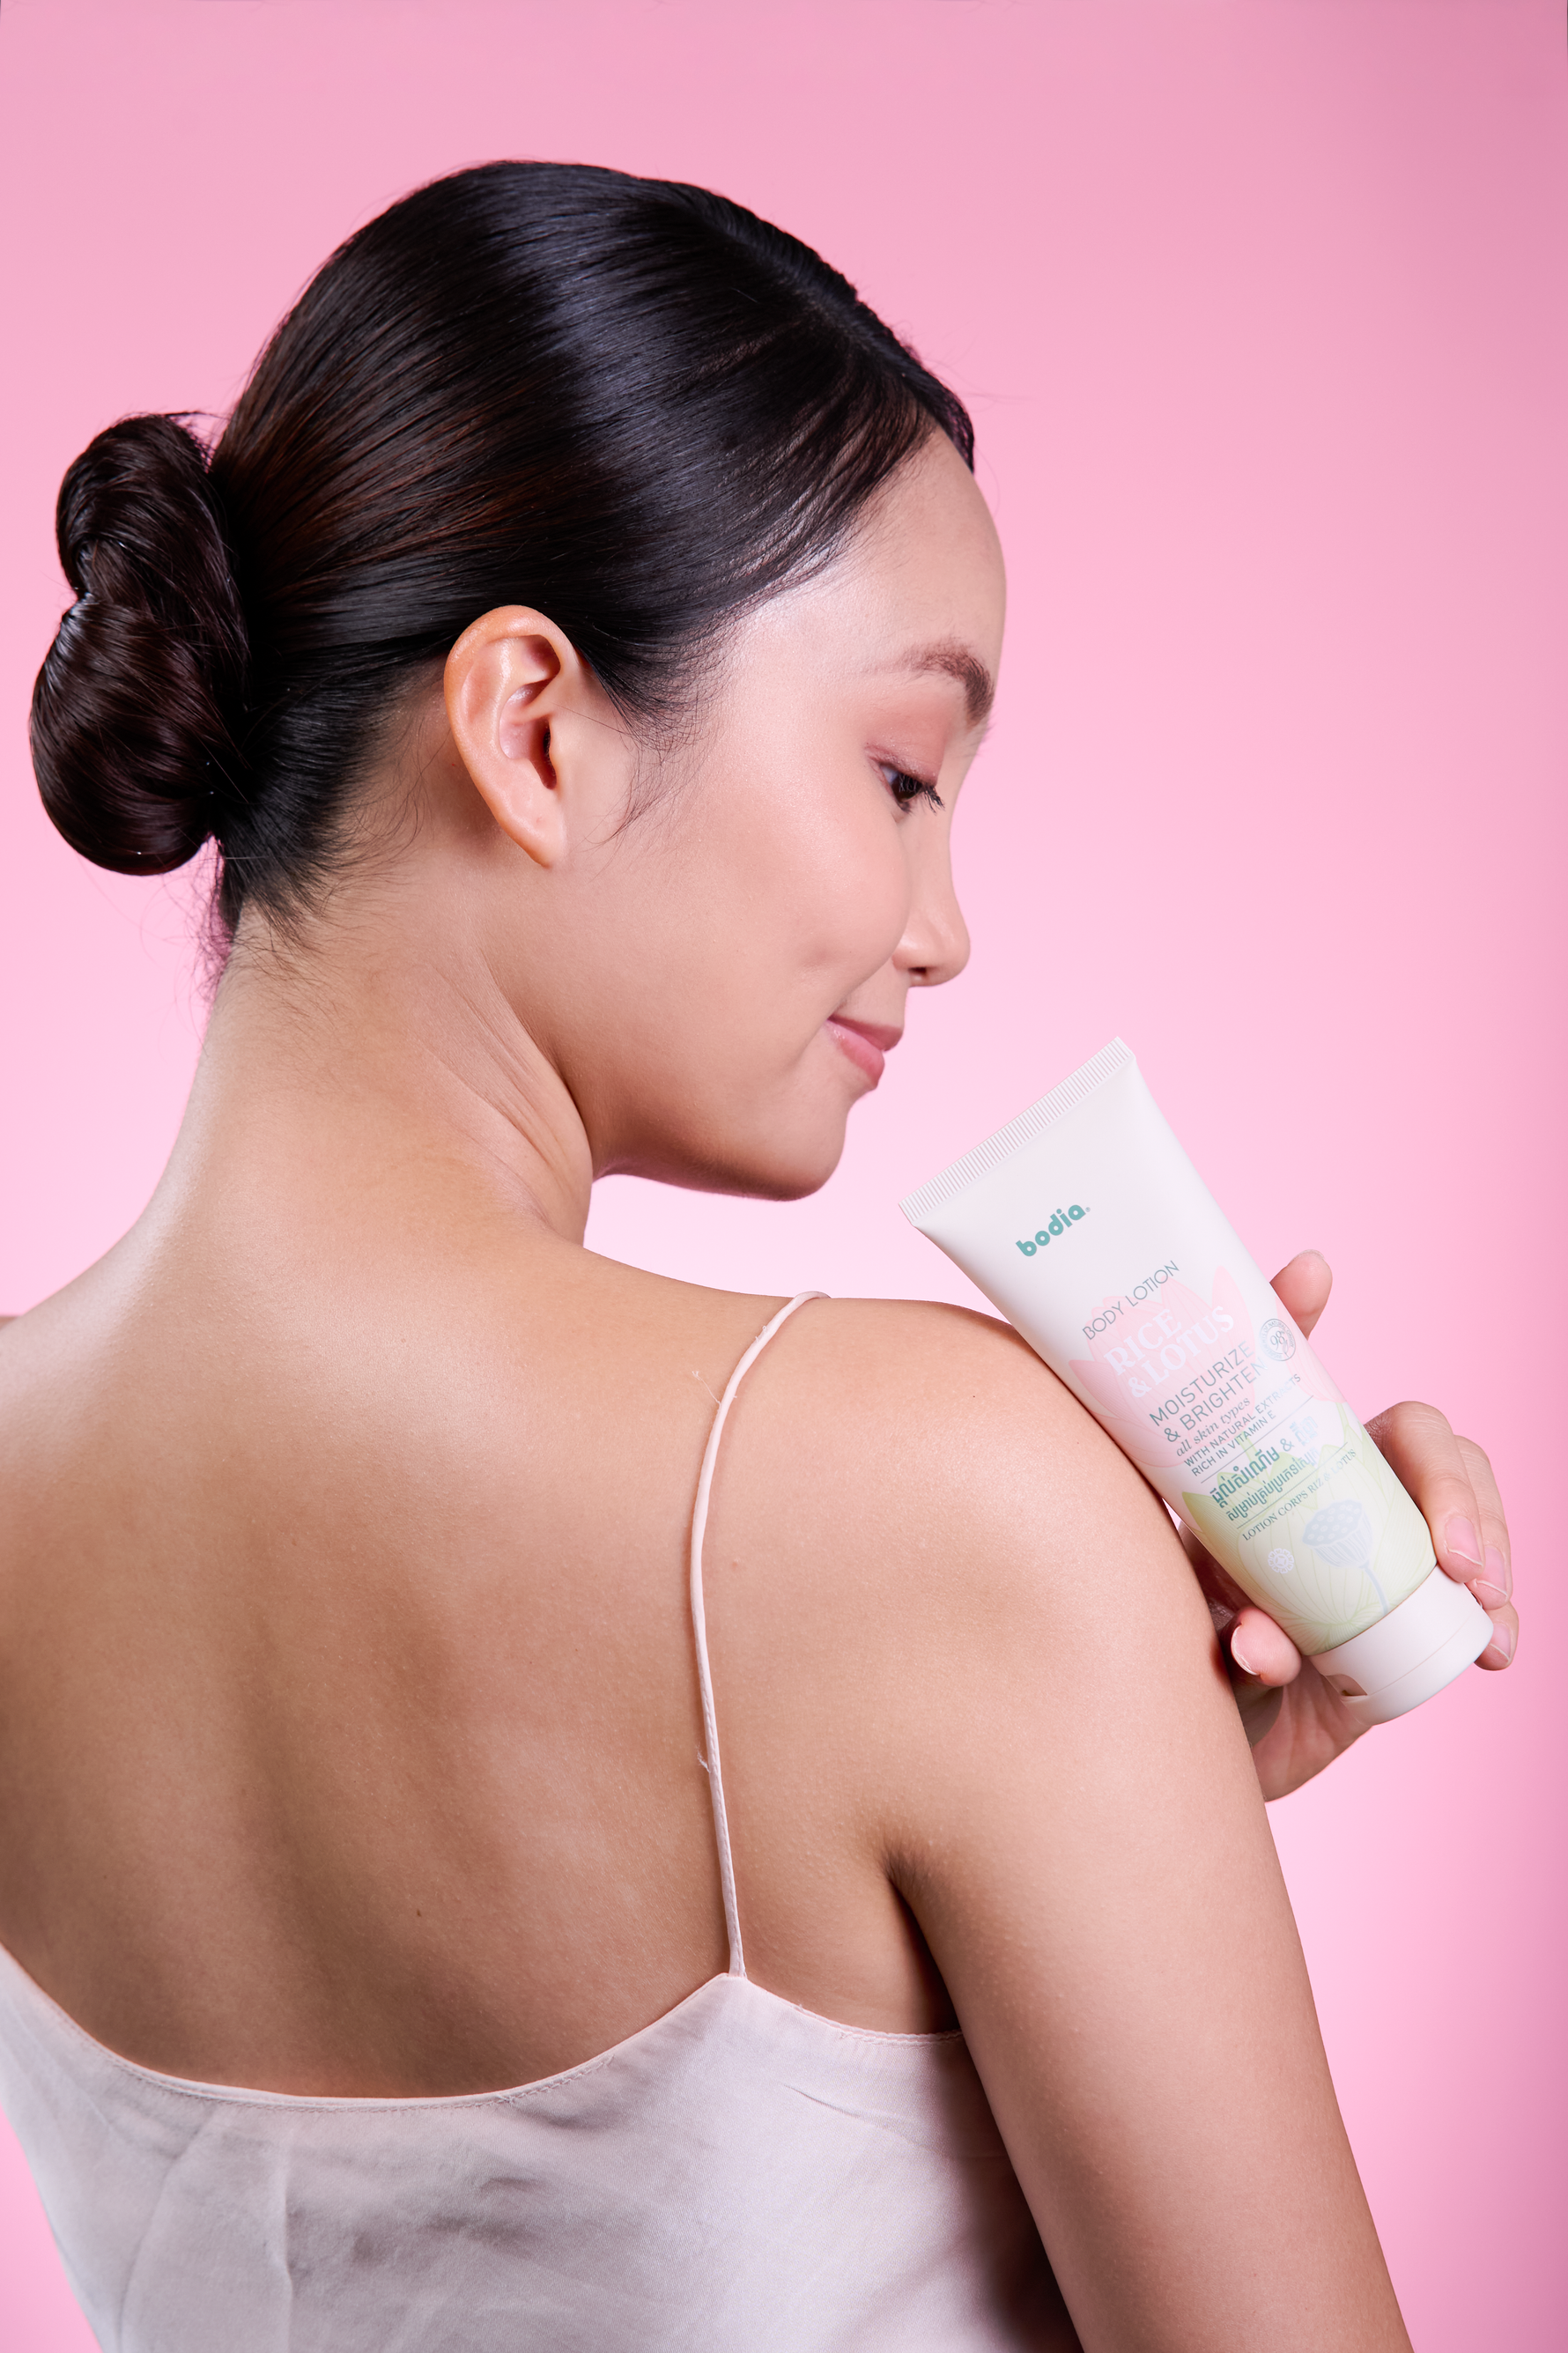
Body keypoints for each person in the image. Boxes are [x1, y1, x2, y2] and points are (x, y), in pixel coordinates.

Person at [0, 162, 1514, 2353]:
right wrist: (1054, 1643)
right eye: (900, 770)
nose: (944, 925)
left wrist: (1133, 1789)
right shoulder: (930, 1489)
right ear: (533, 726)